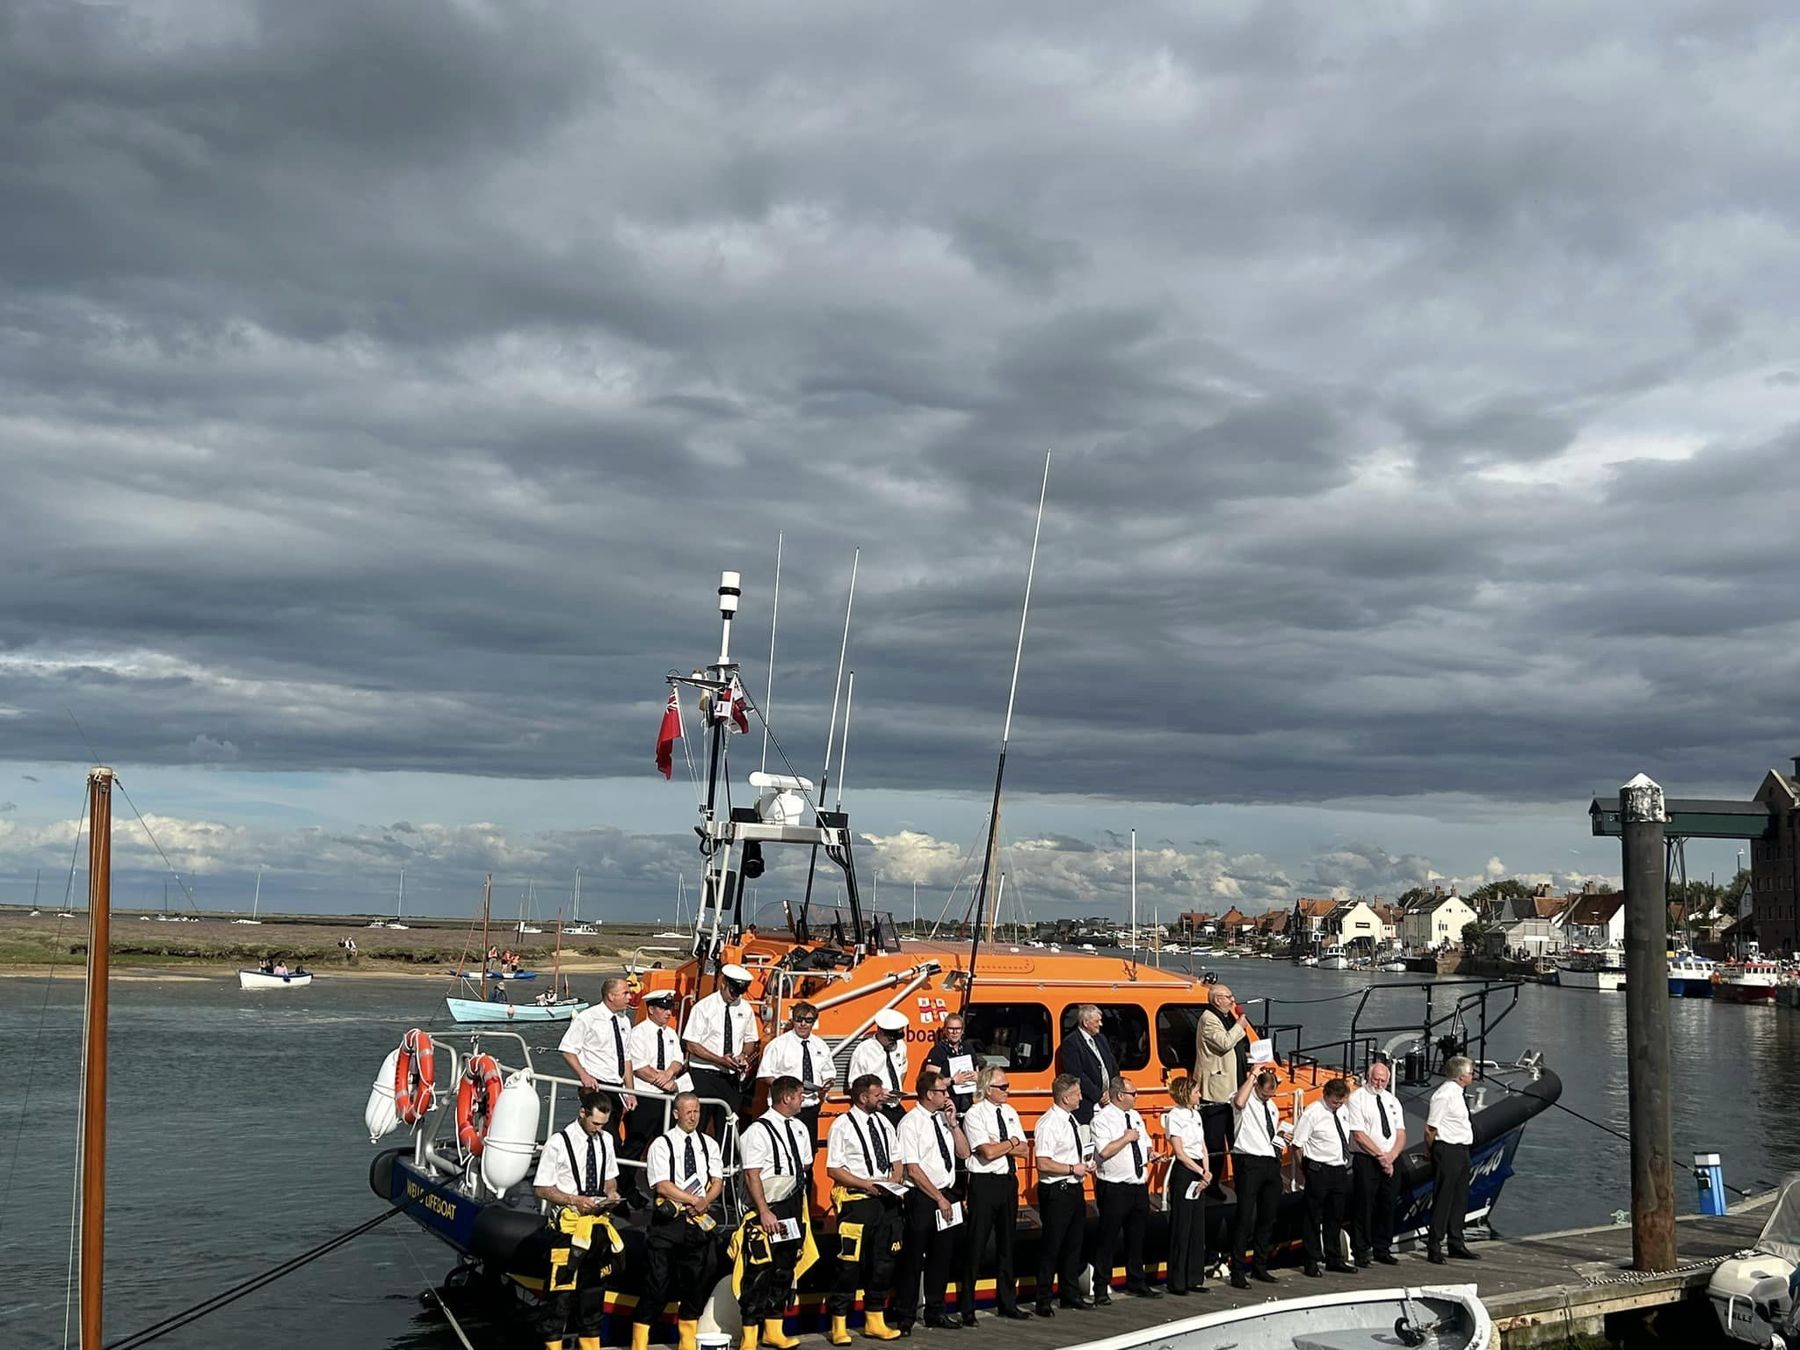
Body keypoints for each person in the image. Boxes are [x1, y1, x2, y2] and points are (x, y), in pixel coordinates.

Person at [532, 1088, 623, 1350]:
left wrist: (611, 1192)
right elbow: (542, 1188)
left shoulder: (605, 1140)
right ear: (582, 1113)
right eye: (595, 1123)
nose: (598, 1129)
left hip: (597, 1228)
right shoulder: (558, 1143)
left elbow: (609, 1177)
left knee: (593, 1299)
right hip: (567, 1231)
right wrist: (574, 1200)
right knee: (559, 1300)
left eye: (603, 1125)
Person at [635, 1092, 724, 1350]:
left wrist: (705, 1200)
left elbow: (717, 1181)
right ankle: (639, 1340)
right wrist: (691, 1200)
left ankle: (687, 1339)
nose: (693, 1116)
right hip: (668, 1223)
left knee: (696, 1282)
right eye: (688, 1112)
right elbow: (662, 1185)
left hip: (697, 1222)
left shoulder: (709, 1145)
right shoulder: (662, 1144)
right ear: (676, 1113)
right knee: (658, 1283)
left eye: (696, 1111)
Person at [824, 1074, 905, 1344]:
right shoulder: (842, 1126)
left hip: (886, 1200)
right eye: (877, 1094)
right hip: (857, 1202)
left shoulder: (884, 1122)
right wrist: (866, 1184)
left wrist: (895, 1179)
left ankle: (874, 1319)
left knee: (884, 1262)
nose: (883, 1097)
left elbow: (896, 1159)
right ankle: (838, 1323)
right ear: (863, 1097)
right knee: (849, 1265)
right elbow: (834, 1169)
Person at [736, 1075, 814, 1350]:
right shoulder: (758, 1130)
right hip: (768, 1207)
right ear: (787, 1097)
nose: (803, 1099)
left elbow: (804, 1165)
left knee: (784, 1268)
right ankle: (749, 1335)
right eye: (800, 1095)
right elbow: (752, 1175)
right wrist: (765, 1211)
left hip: (792, 1204)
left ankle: (774, 1328)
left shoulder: (800, 1129)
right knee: (759, 1271)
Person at [891, 1068, 970, 1333]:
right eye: (942, 1091)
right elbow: (912, 1168)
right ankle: (905, 1315)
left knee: (942, 1256)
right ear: (928, 1094)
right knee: (914, 1257)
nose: (946, 1096)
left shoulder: (943, 1120)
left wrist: (954, 1124)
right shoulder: (911, 1122)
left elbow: (964, 1152)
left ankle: (936, 1311)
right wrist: (938, 1198)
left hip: (946, 1193)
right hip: (923, 1196)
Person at [959, 1065, 1032, 1320]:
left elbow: (1024, 1149)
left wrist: (1005, 1144)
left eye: (1007, 1086)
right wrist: (1009, 1143)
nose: (1007, 1091)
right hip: (984, 1182)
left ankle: (1007, 1302)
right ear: (988, 1089)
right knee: (976, 1243)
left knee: (1007, 1244)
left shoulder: (1010, 1112)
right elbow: (986, 1152)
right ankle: (967, 1306)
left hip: (1007, 1180)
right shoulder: (975, 1114)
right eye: (1002, 1087)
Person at [1090, 1075, 1163, 1303]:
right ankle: (1101, 1287)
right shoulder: (1102, 1120)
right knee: (1108, 1237)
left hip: (1137, 1183)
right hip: (1114, 1186)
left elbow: (1145, 1141)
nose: (1136, 1097)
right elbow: (1104, 1152)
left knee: (1136, 1236)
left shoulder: (1135, 1116)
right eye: (1133, 1093)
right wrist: (1126, 1138)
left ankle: (1136, 1281)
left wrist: (1151, 1154)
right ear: (1120, 1095)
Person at [1032, 1073, 1094, 1316]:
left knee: (1073, 1244)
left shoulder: (1072, 1120)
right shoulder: (1049, 1123)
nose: (1081, 1098)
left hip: (1074, 1187)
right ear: (1066, 1097)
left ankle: (1070, 1294)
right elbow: (1043, 1163)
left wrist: (1084, 1164)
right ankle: (1043, 1299)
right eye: (1077, 1094)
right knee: (1052, 1245)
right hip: (1057, 1189)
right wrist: (1071, 1168)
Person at [626, 989, 694, 1198]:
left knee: (665, 1145)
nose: (668, 1013)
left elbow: (676, 1060)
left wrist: (670, 1074)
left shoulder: (671, 1033)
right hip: (646, 1096)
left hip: (667, 1098)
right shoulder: (638, 1033)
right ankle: (625, 1187)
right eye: (664, 1008)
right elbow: (639, 1067)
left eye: (670, 1008)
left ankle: (663, 1190)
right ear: (652, 1009)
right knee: (635, 1144)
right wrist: (663, 1081)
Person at [683, 964, 760, 1140]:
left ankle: (724, 1163)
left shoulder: (745, 1009)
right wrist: (719, 1060)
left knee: (727, 1128)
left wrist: (743, 1056)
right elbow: (692, 1044)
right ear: (724, 983)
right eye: (733, 991)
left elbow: (750, 1040)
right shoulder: (704, 1008)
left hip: (731, 1077)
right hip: (704, 1075)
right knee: (696, 1124)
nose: (735, 996)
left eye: (739, 993)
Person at [1290, 1078, 1358, 1277]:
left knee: (1335, 1215)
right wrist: (1306, 1169)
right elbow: (1297, 1144)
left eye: (1341, 1101)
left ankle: (1333, 1258)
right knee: (1313, 1216)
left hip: (1338, 1168)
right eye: (1335, 1101)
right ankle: (1311, 1260)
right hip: (1319, 1168)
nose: (1338, 1105)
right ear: (1326, 1095)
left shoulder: (1343, 1111)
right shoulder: (1313, 1113)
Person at [1228, 1067, 1287, 1289]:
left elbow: (1268, 1134)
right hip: (1249, 1160)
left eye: (1271, 1094)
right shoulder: (1245, 1099)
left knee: (1268, 1216)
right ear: (1256, 1088)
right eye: (1264, 1093)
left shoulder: (1271, 1107)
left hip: (1270, 1159)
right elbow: (1240, 1102)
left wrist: (1281, 1137)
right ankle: (1238, 1270)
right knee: (1245, 1217)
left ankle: (1260, 1265)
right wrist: (1252, 1075)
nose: (1268, 1097)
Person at [1195, 984, 1255, 1195]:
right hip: (1217, 1092)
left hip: (1235, 1086)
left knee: (1236, 1137)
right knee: (1215, 1140)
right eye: (1229, 996)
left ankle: (1241, 1183)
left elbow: (1235, 1046)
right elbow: (1223, 1042)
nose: (1233, 999)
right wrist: (1240, 1024)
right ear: (1217, 999)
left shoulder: (1225, 1016)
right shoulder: (1209, 1019)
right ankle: (1212, 1184)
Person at [1345, 1058, 1405, 1267]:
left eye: (1383, 1081)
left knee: (1387, 1203)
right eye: (1376, 1079)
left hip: (1391, 1158)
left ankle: (1383, 1248)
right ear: (1368, 1078)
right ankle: (1361, 1250)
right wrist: (1380, 1156)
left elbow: (1400, 1133)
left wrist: (1391, 1157)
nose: (1379, 1084)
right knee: (1364, 1205)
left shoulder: (1392, 1101)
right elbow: (1359, 1134)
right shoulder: (1357, 1099)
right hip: (1367, 1158)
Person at [560, 977, 638, 1123]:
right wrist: (584, 1075)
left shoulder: (624, 1021)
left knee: (611, 1135)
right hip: (596, 1085)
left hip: (617, 1087)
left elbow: (626, 1058)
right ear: (611, 996)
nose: (630, 997)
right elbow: (567, 1050)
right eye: (625, 993)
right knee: (603, 1132)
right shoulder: (588, 1018)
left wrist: (630, 1092)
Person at [758, 1001, 836, 1144]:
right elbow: (764, 1075)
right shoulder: (778, 1045)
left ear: (814, 1022)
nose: (803, 1024)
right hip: (784, 1108)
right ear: (793, 1020)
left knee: (808, 1153)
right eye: (799, 1019)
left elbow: (829, 1072)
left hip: (810, 1107)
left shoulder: (821, 1045)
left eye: (808, 1020)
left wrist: (827, 1083)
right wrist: (787, 1089)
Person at [1161, 1075, 1212, 1296]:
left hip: (1199, 1167)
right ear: (1185, 1094)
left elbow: (1202, 1145)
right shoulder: (1175, 1116)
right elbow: (1180, 1152)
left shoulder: (1196, 1115)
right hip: (1185, 1170)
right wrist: (1199, 1171)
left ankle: (1194, 1277)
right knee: (1181, 1224)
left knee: (1197, 1225)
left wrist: (1207, 1171)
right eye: (1196, 1092)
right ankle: (1177, 1280)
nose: (1199, 1095)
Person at [1425, 1055, 1477, 1264]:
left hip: (1462, 1148)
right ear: (1461, 1076)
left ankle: (1456, 1241)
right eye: (1470, 1072)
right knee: (1443, 1198)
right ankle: (1434, 1244)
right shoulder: (1444, 1095)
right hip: (1447, 1148)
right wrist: (1432, 1151)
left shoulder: (1458, 1093)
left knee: (1460, 1197)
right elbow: (1430, 1128)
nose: (1472, 1076)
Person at [1054, 1004, 1117, 1126]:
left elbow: (1113, 1065)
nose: (1100, 1024)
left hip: (1109, 1102)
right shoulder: (1071, 1043)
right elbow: (1076, 1074)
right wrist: (1099, 1096)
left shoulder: (1101, 1039)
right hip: (1089, 1105)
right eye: (1097, 1021)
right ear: (1085, 1022)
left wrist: (1112, 1091)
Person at [847, 1009, 910, 1126]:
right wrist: (879, 1093)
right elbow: (854, 1085)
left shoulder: (900, 1046)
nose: (894, 1043)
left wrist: (894, 1092)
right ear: (880, 1031)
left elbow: (902, 1070)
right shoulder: (864, 1050)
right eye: (890, 1039)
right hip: (875, 1108)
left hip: (895, 1106)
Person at [922, 1013, 980, 1114]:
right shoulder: (938, 1051)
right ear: (945, 1030)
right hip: (946, 1108)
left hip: (969, 1106)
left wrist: (977, 1077)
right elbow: (929, 1083)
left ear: (962, 1031)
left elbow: (978, 1072)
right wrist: (953, 1080)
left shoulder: (968, 1048)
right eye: (951, 1028)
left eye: (958, 1029)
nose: (954, 1032)